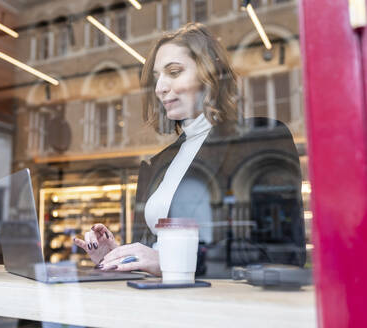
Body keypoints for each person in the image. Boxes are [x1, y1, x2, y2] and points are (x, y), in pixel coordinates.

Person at [73, 23, 305, 277]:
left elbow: (283, 253)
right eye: (156, 78)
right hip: (160, 305)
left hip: (219, 309)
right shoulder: (158, 164)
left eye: (174, 71)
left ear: (210, 74)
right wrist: (120, 256)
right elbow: (154, 255)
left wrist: (169, 261)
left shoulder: (261, 139)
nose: (160, 87)